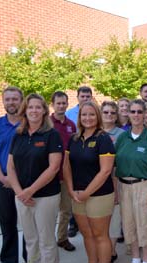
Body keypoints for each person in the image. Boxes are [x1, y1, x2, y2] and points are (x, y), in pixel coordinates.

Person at [7, 93, 63, 262]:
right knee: (31, 241)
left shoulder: (52, 135)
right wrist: (20, 193)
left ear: (44, 112)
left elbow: (53, 168)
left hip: (46, 197)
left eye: (38, 107)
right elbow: (10, 166)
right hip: (22, 198)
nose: (34, 110)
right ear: (25, 110)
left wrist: (30, 191)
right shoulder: (18, 135)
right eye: (30, 107)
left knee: (46, 241)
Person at [63, 101, 116, 263]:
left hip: (99, 195)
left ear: (98, 116)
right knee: (87, 234)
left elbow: (106, 170)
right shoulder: (74, 139)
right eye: (84, 114)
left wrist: (87, 193)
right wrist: (71, 190)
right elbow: (66, 166)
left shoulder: (104, 139)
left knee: (100, 235)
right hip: (77, 195)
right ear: (79, 117)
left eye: (92, 114)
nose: (88, 118)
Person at [115, 99, 147, 263]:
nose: (136, 115)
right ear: (128, 114)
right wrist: (116, 192)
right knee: (129, 225)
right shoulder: (122, 138)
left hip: (145, 186)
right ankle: (135, 258)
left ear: (144, 115)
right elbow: (114, 168)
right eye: (133, 111)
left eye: (139, 112)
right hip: (124, 187)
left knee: (145, 226)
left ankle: (145, 259)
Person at [0, 86, 27, 263]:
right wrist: (2, 178)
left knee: (29, 226)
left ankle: (29, 256)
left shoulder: (29, 123)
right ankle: (9, 259)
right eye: (7, 99)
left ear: (21, 100)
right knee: (7, 224)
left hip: (26, 182)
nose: (11, 102)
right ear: (3, 101)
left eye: (14, 99)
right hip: (4, 182)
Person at [50, 91, 77, 252]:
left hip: (66, 175)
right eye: (58, 103)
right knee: (49, 212)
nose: (61, 106)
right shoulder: (47, 123)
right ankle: (48, 241)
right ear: (53, 104)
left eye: (64, 103)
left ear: (67, 104)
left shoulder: (71, 125)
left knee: (66, 210)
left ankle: (62, 238)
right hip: (50, 176)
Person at [65, 85, 93, 237]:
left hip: (90, 153)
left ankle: (87, 220)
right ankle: (73, 223)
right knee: (75, 190)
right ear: (78, 97)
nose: (85, 99)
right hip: (75, 154)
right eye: (82, 96)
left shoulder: (96, 112)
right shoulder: (70, 114)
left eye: (88, 96)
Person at [101, 100, 125, 262]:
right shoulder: (94, 131)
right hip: (95, 180)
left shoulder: (121, 134)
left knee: (115, 216)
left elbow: (122, 160)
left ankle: (111, 251)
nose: (109, 115)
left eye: (112, 112)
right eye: (106, 112)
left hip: (115, 179)